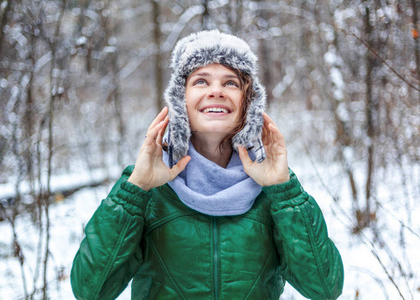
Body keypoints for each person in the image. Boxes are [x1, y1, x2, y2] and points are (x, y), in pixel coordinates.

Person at [70, 30, 344, 300]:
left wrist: (284, 193)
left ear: (248, 101)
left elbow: (325, 288)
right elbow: (90, 290)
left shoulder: (272, 187)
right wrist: (135, 190)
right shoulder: (148, 186)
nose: (216, 91)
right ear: (181, 100)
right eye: (201, 81)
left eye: (231, 83)